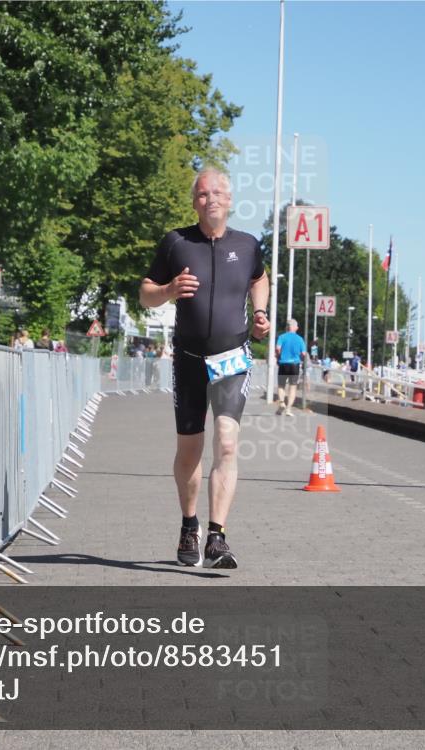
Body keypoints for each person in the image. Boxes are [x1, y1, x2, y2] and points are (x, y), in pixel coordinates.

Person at [140, 167, 269, 569]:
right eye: (201, 193)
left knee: (227, 443)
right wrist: (168, 290)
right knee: (190, 450)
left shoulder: (248, 245)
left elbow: (258, 279)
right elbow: (145, 294)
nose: (209, 198)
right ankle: (188, 524)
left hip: (232, 358)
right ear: (194, 201)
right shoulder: (176, 242)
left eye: (216, 192)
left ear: (230, 200)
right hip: (189, 360)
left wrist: (261, 312)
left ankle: (217, 536)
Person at [275, 318, 306, 416]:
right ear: (295, 327)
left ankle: (281, 403)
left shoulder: (282, 337)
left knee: (281, 385)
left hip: (283, 363)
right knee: (293, 387)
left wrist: (279, 356)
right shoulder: (300, 339)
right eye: (297, 326)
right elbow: (304, 354)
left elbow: (277, 348)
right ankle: (288, 409)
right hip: (295, 365)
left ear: (287, 327)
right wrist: (300, 358)